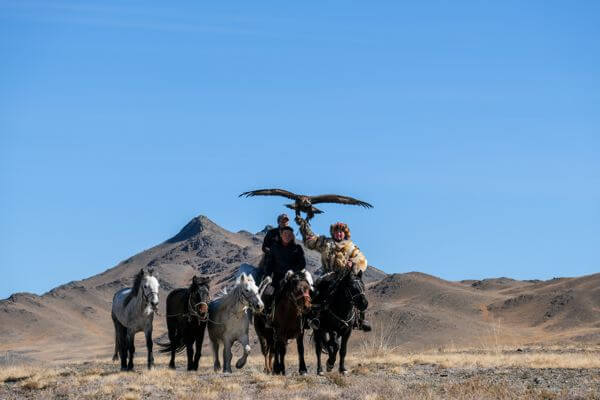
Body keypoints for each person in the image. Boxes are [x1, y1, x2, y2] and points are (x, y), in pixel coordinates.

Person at [295, 215, 371, 332]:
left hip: (346, 277)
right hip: (328, 276)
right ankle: (312, 318)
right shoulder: (326, 242)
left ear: (345, 233)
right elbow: (311, 240)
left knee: (358, 290)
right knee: (316, 291)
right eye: (336, 231)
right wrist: (304, 226)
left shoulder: (351, 246)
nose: (338, 234)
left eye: (341, 232)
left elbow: (362, 259)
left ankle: (361, 319)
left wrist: (353, 262)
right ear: (333, 233)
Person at [261, 226, 306, 325]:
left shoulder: (297, 248)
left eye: (289, 234)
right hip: (277, 278)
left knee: (306, 292)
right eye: (285, 234)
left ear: (292, 236)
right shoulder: (274, 248)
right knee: (268, 294)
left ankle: (307, 318)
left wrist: (293, 271)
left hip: (294, 278)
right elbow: (269, 264)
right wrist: (268, 275)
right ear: (281, 235)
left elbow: (302, 263)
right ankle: (268, 315)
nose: (287, 236)